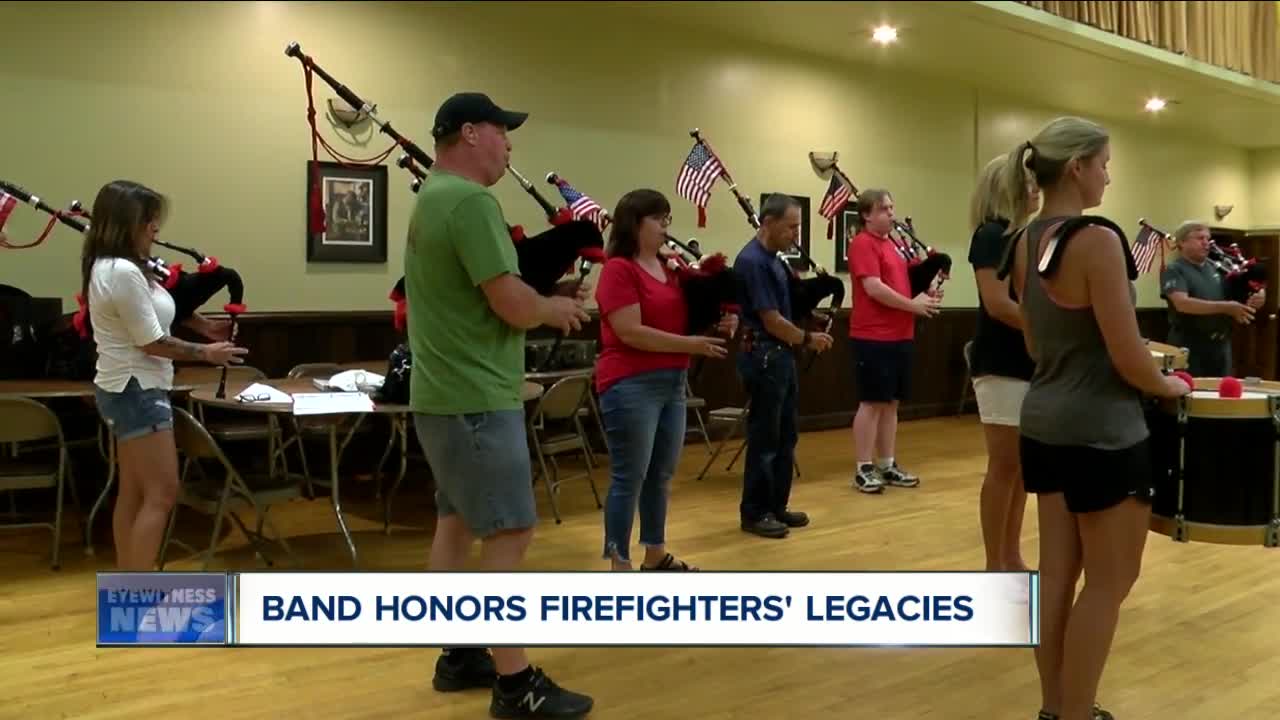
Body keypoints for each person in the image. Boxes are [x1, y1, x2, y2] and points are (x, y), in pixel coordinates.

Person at [405, 92, 594, 718]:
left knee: (457, 523)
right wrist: (554, 308)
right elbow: (512, 304)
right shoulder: (469, 201)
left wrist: (540, 294)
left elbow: (485, 293)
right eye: (501, 132)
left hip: (442, 396)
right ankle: (516, 687)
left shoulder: (433, 198)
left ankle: (459, 653)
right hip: (478, 397)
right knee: (511, 531)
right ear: (469, 133)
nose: (510, 144)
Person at [1000, 116, 1191, 720]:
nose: (1109, 175)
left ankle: (1056, 707)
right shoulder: (1098, 240)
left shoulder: (1025, 240)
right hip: (1104, 433)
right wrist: (1169, 385)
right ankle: (1077, 714)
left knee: (1057, 577)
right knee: (1108, 585)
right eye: (1105, 163)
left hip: (1044, 424)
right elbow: (1129, 355)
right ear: (1078, 166)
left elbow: (1034, 344)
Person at [82, 180, 246, 571]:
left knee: (136, 492)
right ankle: (139, 593)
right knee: (162, 493)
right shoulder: (122, 271)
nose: (156, 228)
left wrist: (205, 328)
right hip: (137, 388)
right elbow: (150, 341)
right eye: (148, 221)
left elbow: (152, 313)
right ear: (126, 223)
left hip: (125, 387)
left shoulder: (117, 267)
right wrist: (206, 353)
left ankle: (128, 586)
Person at [594, 189, 737, 571]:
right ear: (635, 224)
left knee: (660, 474)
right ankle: (618, 563)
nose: (665, 227)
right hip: (630, 383)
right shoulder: (618, 270)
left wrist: (722, 318)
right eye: (658, 219)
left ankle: (654, 553)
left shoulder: (671, 271)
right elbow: (630, 331)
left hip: (673, 381)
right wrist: (691, 344)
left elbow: (685, 314)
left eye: (667, 219)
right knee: (630, 475)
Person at [732, 193, 832, 539]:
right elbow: (770, 319)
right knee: (765, 436)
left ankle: (776, 505)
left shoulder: (775, 260)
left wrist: (808, 318)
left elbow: (782, 309)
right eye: (790, 227)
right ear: (768, 222)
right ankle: (755, 512)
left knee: (786, 435)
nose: (795, 235)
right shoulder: (753, 261)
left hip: (780, 356)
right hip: (763, 355)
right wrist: (807, 339)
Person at [966, 156, 1040, 571]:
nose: (1036, 190)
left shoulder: (1020, 236)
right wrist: (1046, 331)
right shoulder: (991, 235)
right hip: (1001, 362)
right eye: (1028, 183)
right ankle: (995, 564)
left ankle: (1011, 556)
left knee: (1021, 471)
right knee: (1004, 465)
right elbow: (997, 304)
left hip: (1026, 362)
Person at [846, 189, 941, 494]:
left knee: (891, 403)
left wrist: (931, 282)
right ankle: (863, 467)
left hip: (901, 334)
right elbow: (874, 288)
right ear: (866, 215)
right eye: (884, 208)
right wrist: (913, 306)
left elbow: (908, 282)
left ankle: (886, 464)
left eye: (891, 207)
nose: (890, 212)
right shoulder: (862, 244)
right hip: (873, 335)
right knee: (872, 402)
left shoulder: (896, 245)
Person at [1160, 220, 1263, 376]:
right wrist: (1227, 307)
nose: (1206, 243)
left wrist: (1259, 295)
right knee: (1191, 394)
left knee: (1221, 395)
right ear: (1182, 242)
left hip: (1220, 346)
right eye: (1199, 238)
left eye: (1207, 239)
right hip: (1189, 346)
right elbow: (1183, 304)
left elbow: (1247, 285)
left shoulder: (1219, 266)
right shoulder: (1174, 269)